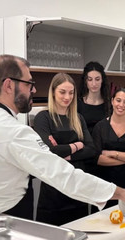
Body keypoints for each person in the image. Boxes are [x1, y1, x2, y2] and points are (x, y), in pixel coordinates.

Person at [0, 54, 125, 225]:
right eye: (29, 83)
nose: (33, 90)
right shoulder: (16, 133)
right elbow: (64, 174)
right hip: (7, 224)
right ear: (8, 85)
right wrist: (122, 193)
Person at [33, 73, 97, 225]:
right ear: (53, 92)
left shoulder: (78, 118)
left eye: (71, 92)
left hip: (77, 189)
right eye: (62, 92)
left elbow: (91, 149)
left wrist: (66, 153)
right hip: (52, 191)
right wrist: (77, 145)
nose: (67, 97)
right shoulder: (43, 118)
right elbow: (49, 152)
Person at [92, 88, 125, 206]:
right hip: (105, 185)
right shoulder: (100, 127)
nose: (121, 105)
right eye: (118, 100)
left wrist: (112, 153)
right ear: (112, 101)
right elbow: (98, 159)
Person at [78, 61, 110, 135]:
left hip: (104, 145)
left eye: (97, 79)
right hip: (84, 144)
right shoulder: (78, 104)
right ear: (85, 81)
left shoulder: (110, 104)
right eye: (90, 79)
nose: (94, 84)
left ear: (102, 80)